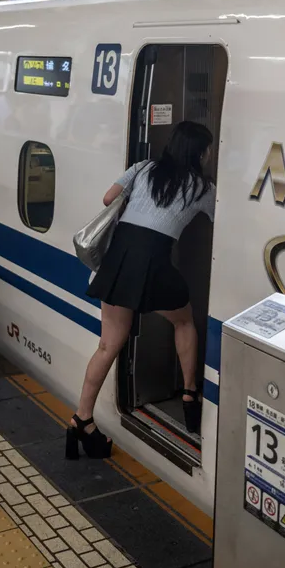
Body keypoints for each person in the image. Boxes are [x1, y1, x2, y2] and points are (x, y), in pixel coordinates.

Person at [70, 120, 217, 458]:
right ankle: (190, 392)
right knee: (183, 321)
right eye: (206, 149)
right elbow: (220, 220)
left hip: (119, 259)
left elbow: (108, 198)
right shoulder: (202, 188)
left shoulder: (143, 169)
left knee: (108, 345)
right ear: (197, 153)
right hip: (153, 262)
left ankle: (82, 418)